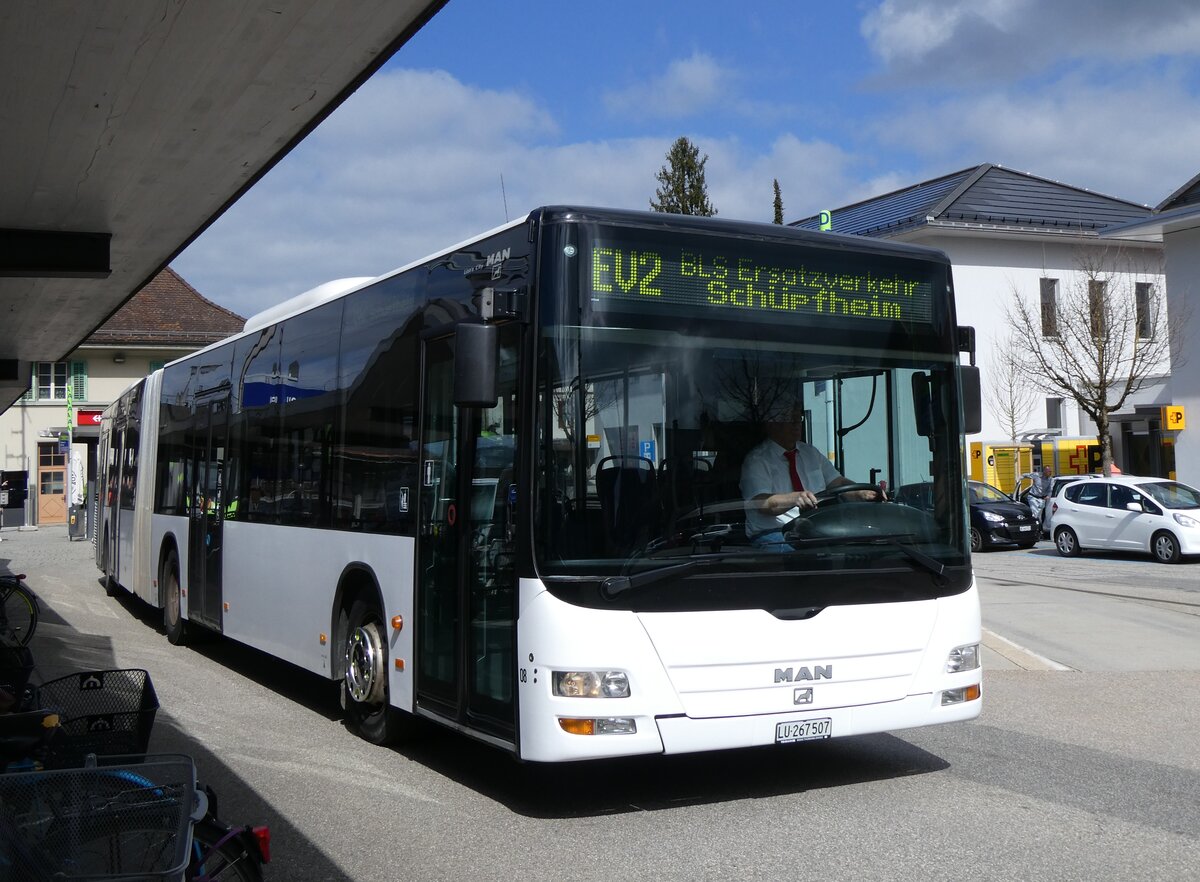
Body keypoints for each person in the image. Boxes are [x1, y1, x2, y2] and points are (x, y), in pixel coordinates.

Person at [740, 403, 878, 549]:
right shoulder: (757, 460)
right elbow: (762, 502)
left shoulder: (810, 452)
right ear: (772, 425)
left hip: (814, 527)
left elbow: (837, 482)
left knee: (857, 547)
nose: (796, 424)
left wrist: (863, 493)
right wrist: (795, 498)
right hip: (774, 533)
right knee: (804, 558)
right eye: (790, 419)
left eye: (798, 418)